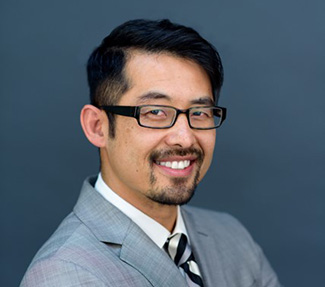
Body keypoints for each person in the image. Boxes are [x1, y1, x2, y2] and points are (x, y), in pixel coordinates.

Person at [20, 19, 280, 287]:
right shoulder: (65, 274)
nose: (184, 137)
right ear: (97, 127)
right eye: (155, 112)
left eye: (200, 113)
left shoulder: (232, 237)